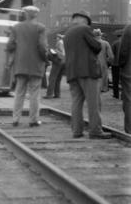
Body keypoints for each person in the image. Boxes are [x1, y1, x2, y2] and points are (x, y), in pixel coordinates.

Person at [64, 10, 111, 139]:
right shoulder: (84, 28)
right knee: (93, 102)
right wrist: (95, 37)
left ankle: (77, 131)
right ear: (85, 20)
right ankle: (95, 131)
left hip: (72, 72)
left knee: (76, 102)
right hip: (87, 70)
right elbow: (97, 47)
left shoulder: (67, 33)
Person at [6, 5, 47, 127]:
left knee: (19, 92)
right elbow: (42, 46)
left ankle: (15, 119)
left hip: (20, 64)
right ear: (36, 15)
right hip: (36, 64)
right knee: (34, 93)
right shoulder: (40, 27)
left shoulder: (16, 27)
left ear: (25, 14)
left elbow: (9, 45)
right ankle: (33, 120)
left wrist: (18, 49)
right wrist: (45, 58)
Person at [43, 34, 65, 99]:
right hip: (63, 61)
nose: (56, 39)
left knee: (52, 78)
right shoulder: (64, 42)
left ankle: (49, 94)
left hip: (58, 62)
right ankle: (57, 94)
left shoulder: (59, 43)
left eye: (56, 37)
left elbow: (59, 52)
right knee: (58, 79)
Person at [118, 24, 131, 134]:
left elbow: (124, 50)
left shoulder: (129, 29)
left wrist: (121, 64)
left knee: (129, 100)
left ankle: (130, 130)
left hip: (129, 70)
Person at [111, 32, 122, 99]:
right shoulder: (126, 43)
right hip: (124, 65)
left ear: (117, 36)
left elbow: (112, 54)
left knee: (115, 80)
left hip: (115, 64)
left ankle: (116, 94)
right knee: (124, 80)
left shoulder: (114, 43)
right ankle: (124, 95)